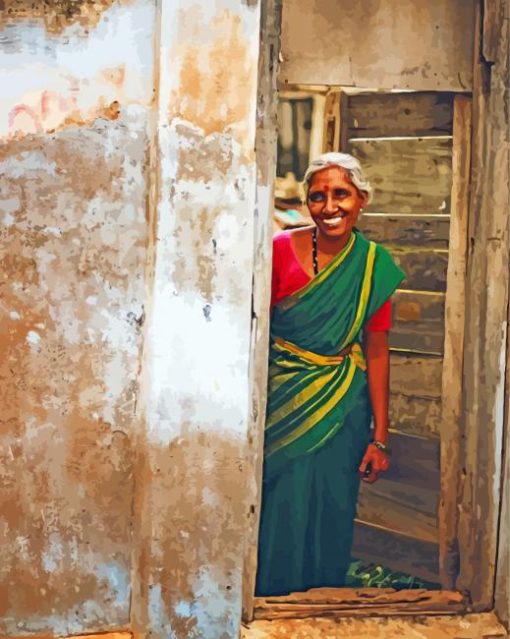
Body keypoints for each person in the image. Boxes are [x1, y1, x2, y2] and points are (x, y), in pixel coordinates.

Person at [256, 152, 406, 596]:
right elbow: (253, 330)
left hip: (343, 408)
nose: (329, 206)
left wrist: (380, 436)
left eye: (341, 194)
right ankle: (269, 601)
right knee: (278, 505)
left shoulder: (374, 265)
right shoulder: (279, 249)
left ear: (362, 200)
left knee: (332, 508)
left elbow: (377, 349)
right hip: (280, 401)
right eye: (317, 196)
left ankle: (323, 603)